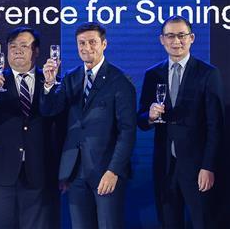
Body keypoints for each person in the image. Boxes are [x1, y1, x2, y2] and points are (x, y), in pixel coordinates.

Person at [40, 22, 136, 229]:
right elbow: (50, 111)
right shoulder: (70, 78)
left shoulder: (119, 80)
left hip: (106, 170)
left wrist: (113, 170)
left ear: (104, 44)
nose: (86, 47)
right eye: (81, 43)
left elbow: (127, 131)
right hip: (74, 173)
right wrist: (48, 85)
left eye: (92, 42)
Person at [137, 15, 224, 229]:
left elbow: (216, 126)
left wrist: (208, 166)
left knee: (202, 221)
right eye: (170, 36)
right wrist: (149, 116)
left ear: (192, 38)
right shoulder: (152, 74)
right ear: (162, 40)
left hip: (197, 167)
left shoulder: (208, 73)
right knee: (168, 222)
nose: (176, 41)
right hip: (165, 166)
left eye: (181, 35)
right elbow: (140, 119)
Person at [0, 27, 60, 229]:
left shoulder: (50, 80)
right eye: (13, 47)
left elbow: (54, 116)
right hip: (0, 173)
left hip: (38, 172)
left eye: (24, 46)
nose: (18, 51)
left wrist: (49, 87)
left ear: (37, 51)